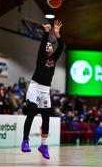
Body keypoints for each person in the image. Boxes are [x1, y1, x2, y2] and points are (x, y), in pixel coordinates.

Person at [21, 20, 64, 159]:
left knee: (46, 119)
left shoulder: (53, 60)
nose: (48, 45)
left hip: (45, 91)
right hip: (35, 87)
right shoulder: (41, 57)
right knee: (31, 115)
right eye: (47, 44)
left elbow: (61, 47)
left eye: (50, 45)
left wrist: (57, 34)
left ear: (52, 49)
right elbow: (42, 45)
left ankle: (43, 145)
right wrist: (46, 32)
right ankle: (25, 141)